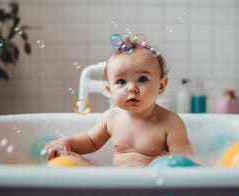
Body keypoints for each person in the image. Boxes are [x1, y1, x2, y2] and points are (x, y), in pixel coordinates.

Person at [45, 33, 200, 167]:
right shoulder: (111, 117)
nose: (131, 88)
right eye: (121, 82)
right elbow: (91, 141)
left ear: (161, 85)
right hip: (113, 181)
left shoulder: (170, 122)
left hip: (150, 182)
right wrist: (66, 143)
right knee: (65, 159)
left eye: (142, 79)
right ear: (109, 90)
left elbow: (183, 156)